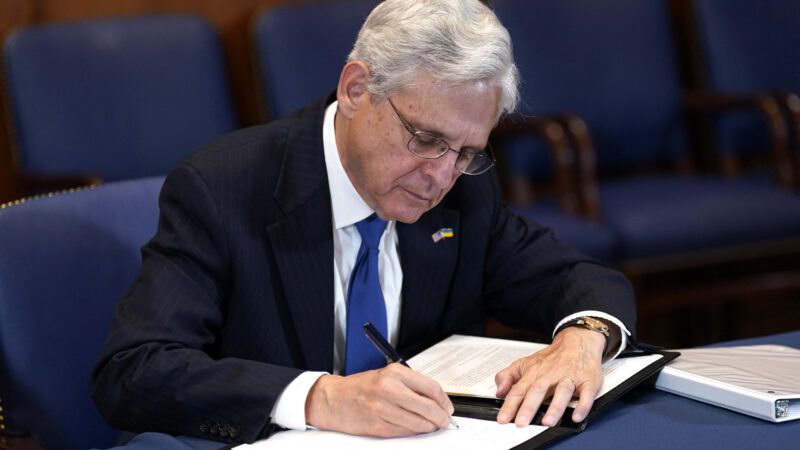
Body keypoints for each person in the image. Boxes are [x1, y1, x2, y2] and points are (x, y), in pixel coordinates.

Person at [92, 0, 635, 445]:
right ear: (357, 90)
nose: (442, 175)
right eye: (425, 140)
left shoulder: (465, 190)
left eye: (467, 151)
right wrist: (321, 397)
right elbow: (134, 372)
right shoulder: (223, 188)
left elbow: (580, 280)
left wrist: (583, 339)